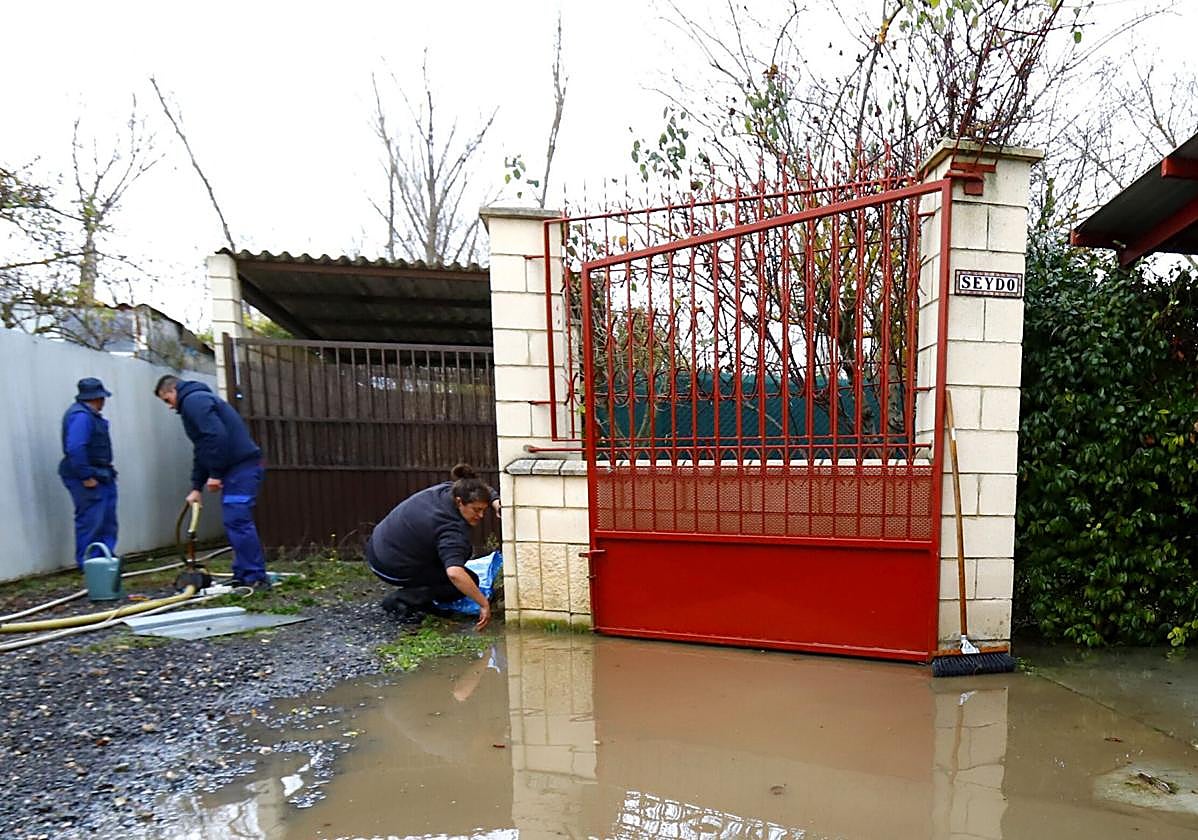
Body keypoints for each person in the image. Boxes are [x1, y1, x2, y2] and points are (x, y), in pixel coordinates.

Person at [154, 374, 270, 589]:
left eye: (167, 400)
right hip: (237, 468)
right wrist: (196, 487)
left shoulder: (194, 402)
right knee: (234, 521)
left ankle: (254, 577)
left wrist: (215, 474)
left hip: (242, 468)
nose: (169, 406)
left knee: (237, 520)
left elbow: (215, 437)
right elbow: (202, 448)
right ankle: (243, 574)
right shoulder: (196, 401)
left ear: (173, 390)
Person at [366, 464, 500, 631]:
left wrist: (495, 500)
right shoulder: (450, 528)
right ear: (460, 502)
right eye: (476, 510)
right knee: (468, 580)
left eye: (484, 510)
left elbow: (477, 487)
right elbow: (455, 574)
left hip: (378, 545)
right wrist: (483, 603)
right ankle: (402, 600)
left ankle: (422, 591)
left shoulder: (449, 490)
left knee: (458, 559)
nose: (480, 515)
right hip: (390, 566)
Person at [58, 377, 118, 569]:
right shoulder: (82, 417)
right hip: (90, 476)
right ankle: (90, 563)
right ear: (98, 398)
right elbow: (75, 447)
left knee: (106, 520)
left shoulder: (87, 415)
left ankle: (104, 560)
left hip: (101, 474)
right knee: (92, 520)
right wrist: (85, 476)